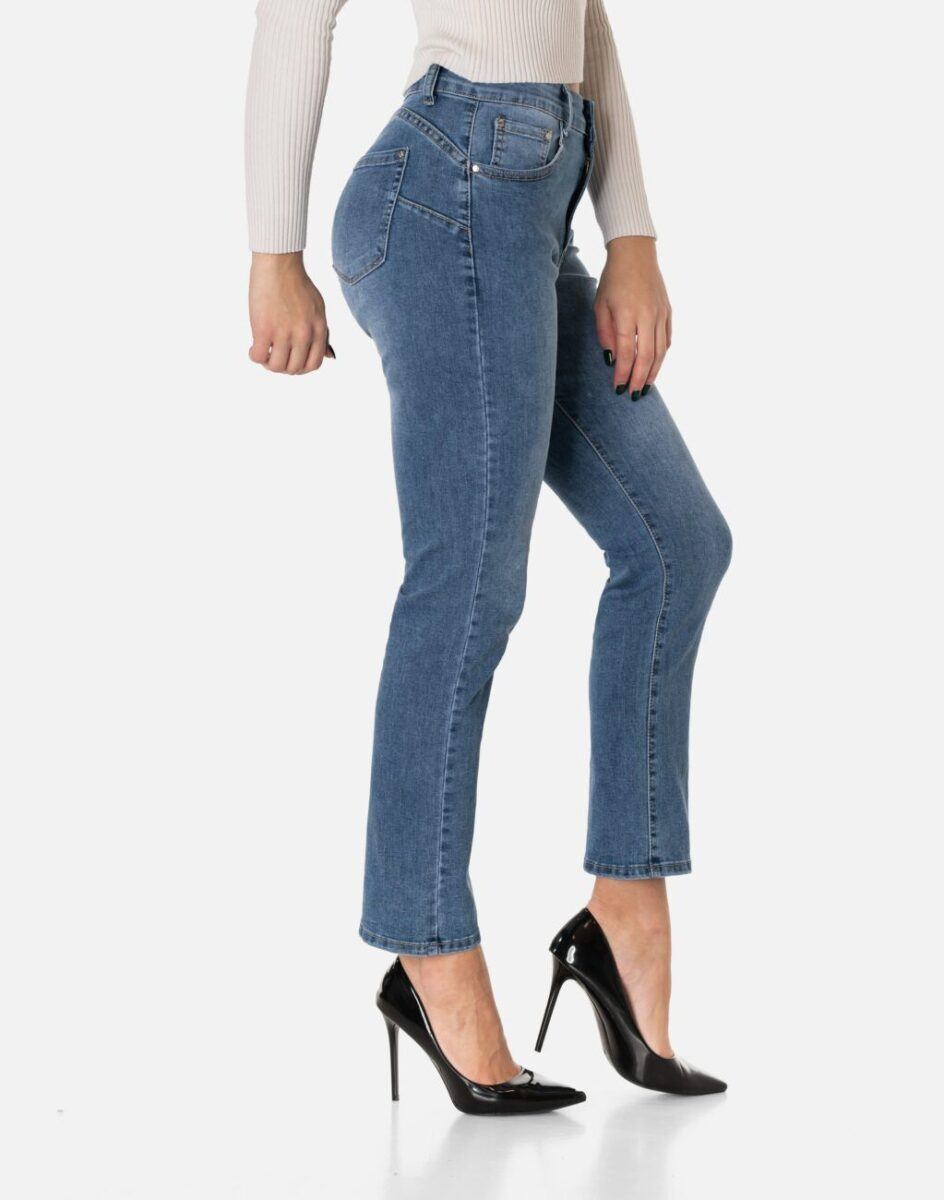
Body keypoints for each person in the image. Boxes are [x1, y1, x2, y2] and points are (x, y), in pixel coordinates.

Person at [245, 0, 731, 1114]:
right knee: (466, 585)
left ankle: (623, 909)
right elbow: (293, 13)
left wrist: (633, 237)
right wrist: (272, 253)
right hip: (446, 191)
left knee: (676, 544)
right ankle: (426, 948)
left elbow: (581, 16)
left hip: (533, 199)